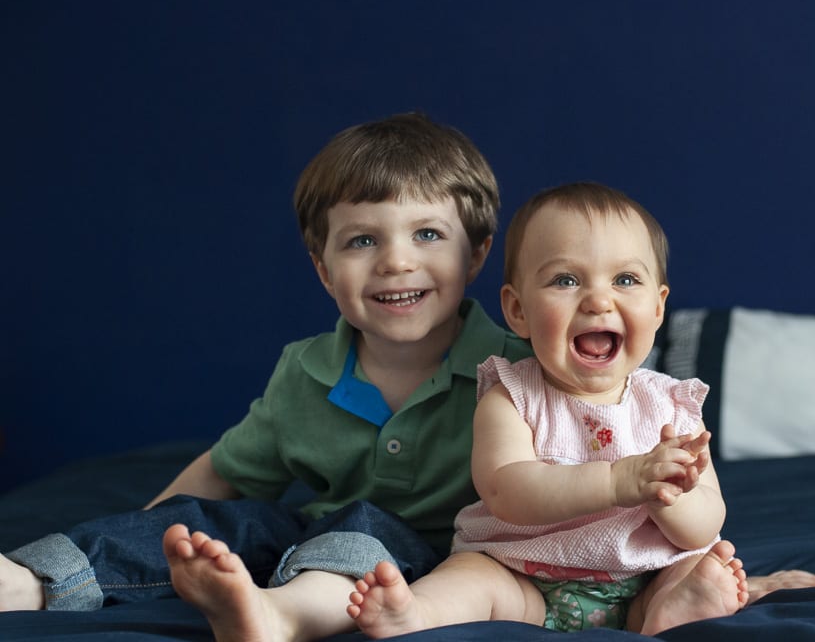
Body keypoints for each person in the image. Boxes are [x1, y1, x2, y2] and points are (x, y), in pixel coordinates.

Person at [0, 112, 533, 641]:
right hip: (311, 535)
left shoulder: (521, 370)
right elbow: (225, 471)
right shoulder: (305, 371)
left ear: (476, 254)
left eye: (427, 234)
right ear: (324, 270)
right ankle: (27, 582)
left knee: (365, 524)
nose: (396, 261)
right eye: (362, 241)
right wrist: (151, 531)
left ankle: (280, 615)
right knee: (217, 522)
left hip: (442, 564)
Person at [346, 182, 815, 637]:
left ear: (657, 307)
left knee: (694, 564)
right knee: (471, 576)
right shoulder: (511, 395)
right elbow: (506, 491)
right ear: (518, 311)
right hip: (523, 575)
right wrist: (617, 481)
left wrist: (669, 495)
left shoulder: (672, 406)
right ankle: (419, 613)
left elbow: (704, 524)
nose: (598, 300)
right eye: (565, 280)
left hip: (643, 576)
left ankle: (669, 609)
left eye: (626, 279)